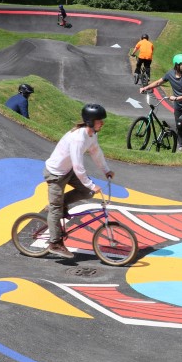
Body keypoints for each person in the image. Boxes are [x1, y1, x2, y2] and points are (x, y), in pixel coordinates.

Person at [41, 104, 114, 259]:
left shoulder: (91, 134)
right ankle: (55, 243)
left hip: (67, 171)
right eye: (99, 121)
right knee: (56, 209)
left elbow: (96, 152)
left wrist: (106, 170)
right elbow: (78, 166)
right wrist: (91, 184)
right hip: (55, 174)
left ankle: (60, 204)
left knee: (87, 192)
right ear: (90, 121)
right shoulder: (78, 139)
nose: (102, 123)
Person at [139, 53, 182, 153]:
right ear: (177, 65)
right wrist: (145, 87)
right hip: (178, 106)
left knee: (180, 123)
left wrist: (177, 98)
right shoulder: (170, 74)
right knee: (179, 126)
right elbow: (158, 82)